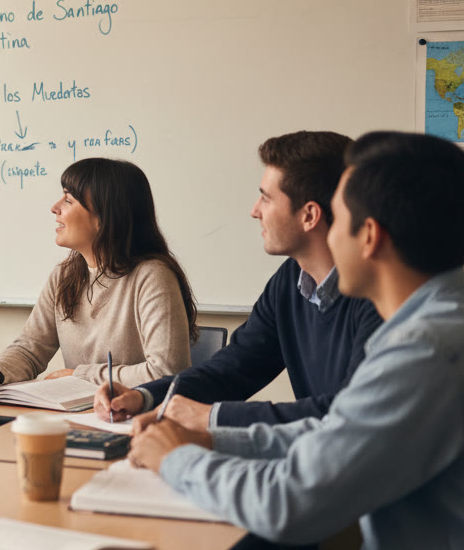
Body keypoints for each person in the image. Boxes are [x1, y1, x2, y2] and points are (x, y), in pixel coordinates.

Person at [130, 131, 464, 550]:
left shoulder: (425, 351)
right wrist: (215, 438)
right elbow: (340, 434)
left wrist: (176, 459)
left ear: (369, 237)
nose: (328, 234)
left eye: (338, 218)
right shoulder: (460, 313)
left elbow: (288, 504)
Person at [98, 131, 382, 431]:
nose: (254, 211)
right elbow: (233, 369)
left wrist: (211, 418)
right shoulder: (291, 279)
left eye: (266, 198)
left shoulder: (379, 296)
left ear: (309, 215)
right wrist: (144, 396)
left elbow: (347, 413)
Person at [0, 158, 195, 393]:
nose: (55, 207)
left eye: (68, 199)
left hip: (132, 419)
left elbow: (167, 372)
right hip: (78, 414)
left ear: (102, 218)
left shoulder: (153, 277)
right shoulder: (64, 276)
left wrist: (80, 375)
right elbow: (31, 348)